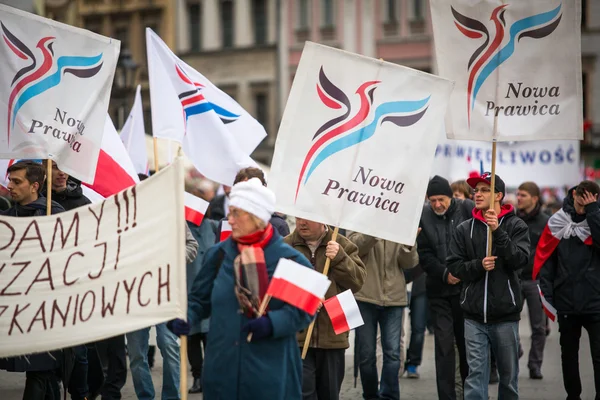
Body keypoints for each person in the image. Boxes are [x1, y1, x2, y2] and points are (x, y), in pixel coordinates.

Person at [168, 178, 315, 399]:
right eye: (230, 211)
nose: (230, 219)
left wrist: (272, 323)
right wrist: (186, 316)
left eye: (237, 213)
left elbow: (304, 311)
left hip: (270, 376)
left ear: (256, 217)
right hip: (221, 377)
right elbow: (199, 301)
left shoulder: (291, 260)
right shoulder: (218, 255)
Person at [447, 172, 529, 400]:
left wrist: (498, 232)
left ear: (499, 196)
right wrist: (478, 265)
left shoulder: (516, 225)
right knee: (475, 376)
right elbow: (454, 266)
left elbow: (520, 260)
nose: (478, 194)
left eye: (484, 190)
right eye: (476, 190)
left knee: (508, 378)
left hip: (505, 316)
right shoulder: (465, 228)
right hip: (473, 317)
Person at [126, 174, 199, 400]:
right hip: (135, 295)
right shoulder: (125, 219)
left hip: (166, 292)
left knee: (169, 346)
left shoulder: (172, 215)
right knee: (137, 353)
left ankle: (171, 396)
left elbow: (192, 245)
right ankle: (145, 396)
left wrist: (175, 256)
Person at [0, 160, 65, 399]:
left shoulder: (53, 213)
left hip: (45, 309)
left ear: (35, 185)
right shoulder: (7, 217)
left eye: (17, 182)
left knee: (42, 371)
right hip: (16, 309)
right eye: (10, 181)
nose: (11, 186)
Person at [285, 219, 366, 399]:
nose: (302, 223)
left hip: (333, 334)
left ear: (322, 220)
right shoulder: (286, 245)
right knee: (303, 394)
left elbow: (358, 282)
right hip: (298, 336)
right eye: (298, 218)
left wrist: (340, 258)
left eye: (308, 219)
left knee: (329, 393)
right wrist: (304, 297)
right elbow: (274, 286)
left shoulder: (343, 244)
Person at [537, 180, 600, 399]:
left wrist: (592, 211)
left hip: (596, 301)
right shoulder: (558, 222)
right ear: (573, 194)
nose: (583, 199)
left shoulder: (597, 219)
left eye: (589, 196)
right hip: (566, 299)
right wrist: (548, 295)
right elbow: (546, 261)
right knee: (569, 356)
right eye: (580, 195)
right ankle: (573, 395)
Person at [41, 160, 97, 400]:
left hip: (76, 287)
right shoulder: (37, 205)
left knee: (79, 351)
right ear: (44, 171)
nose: (61, 173)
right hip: (45, 289)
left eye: (64, 167)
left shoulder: (84, 203)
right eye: (55, 167)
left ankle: (80, 394)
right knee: (47, 355)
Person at [418, 175, 474, 399]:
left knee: (467, 346)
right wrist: (444, 274)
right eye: (433, 201)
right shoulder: (424, 215)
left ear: (450, 197)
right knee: (443, 347)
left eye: (441, 199)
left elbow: (477, 243)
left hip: (466, 291)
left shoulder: (467, 208)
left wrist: (463, 271)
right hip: (439, 291)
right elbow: (424, 254)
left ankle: (470, 393)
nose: (437, 205)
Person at [347, 231, 419, 400]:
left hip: (394, 297)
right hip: (365, 295)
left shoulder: (401, 222)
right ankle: (371, 395)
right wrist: (373, 234)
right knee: (366, 354)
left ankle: (390, 395)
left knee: (393, 353)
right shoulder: (361, 213)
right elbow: (352, 248)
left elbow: (409, 263)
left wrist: (409, 245)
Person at [516, 181, 549, 380]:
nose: (518, 198)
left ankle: (535, 364)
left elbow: (548, 251)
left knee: (539, 327)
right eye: (518, 195)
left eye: (523, 195)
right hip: (516, 279)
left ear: (534, 199)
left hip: (537, 281)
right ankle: (516, 350)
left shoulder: (546, 222)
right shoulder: (513, 219)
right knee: (509, 320)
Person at [185, 215, 218, 394]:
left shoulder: (212, 225)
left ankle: (208, 376)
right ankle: (197, 376)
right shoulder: (180, 226)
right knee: (192, 337)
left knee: (209, 336)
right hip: (187, 289)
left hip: (210, 291)